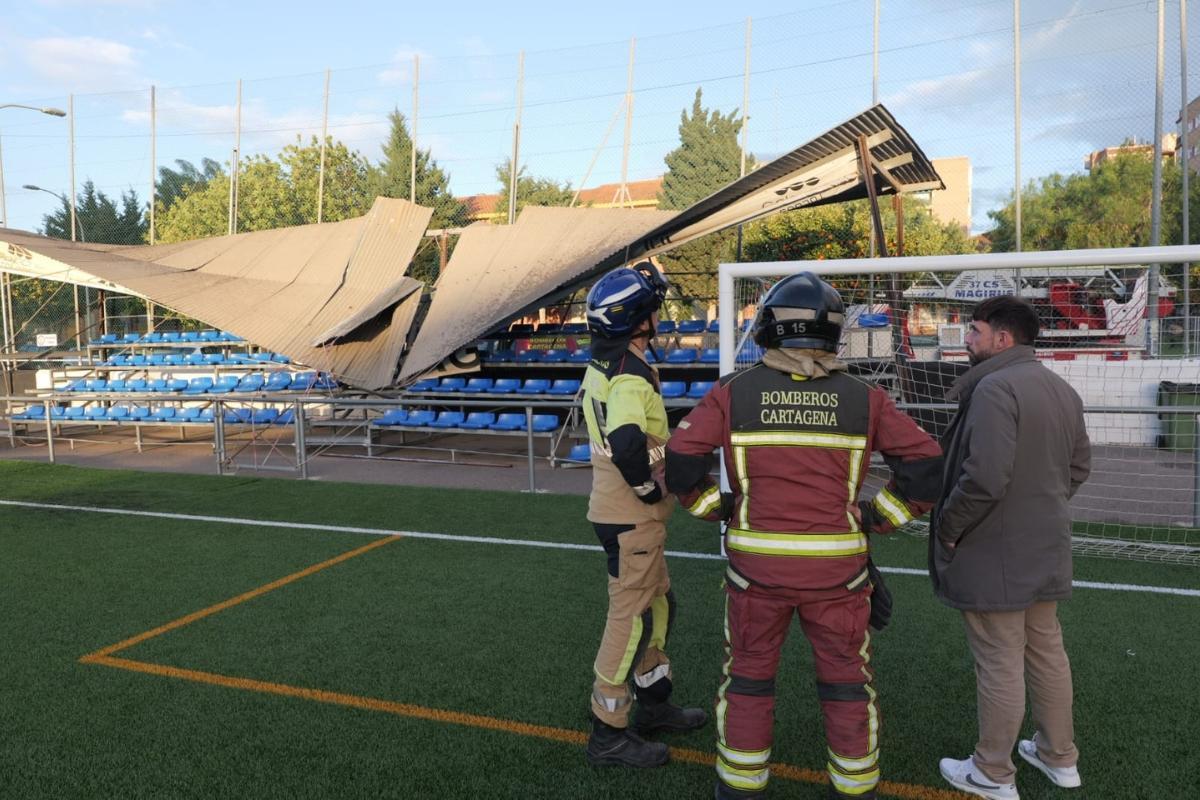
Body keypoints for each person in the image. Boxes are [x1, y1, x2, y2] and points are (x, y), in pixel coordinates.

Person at [664, 272, 943, 799]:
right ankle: (855, 786)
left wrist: (715, 508)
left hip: (754, 575)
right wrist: (874, 518)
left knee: (747, 678)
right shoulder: (865, 398)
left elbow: (680, 462)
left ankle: (742, 786)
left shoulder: (732, 393)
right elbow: (927, 466)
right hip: (839, 574)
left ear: (770, 326)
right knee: (846, 683)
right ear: (833, 333)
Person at [932, 296, 1091, 800]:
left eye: (975, 330)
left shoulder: (995, 388)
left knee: (1001, 661)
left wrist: (950, 527)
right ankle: (1058, 756)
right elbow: (1079, 467)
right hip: (1045, 545)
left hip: (994, 550)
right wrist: (1038, 506)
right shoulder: (1061, 389)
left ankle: (992, 772)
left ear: (1003, 339)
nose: (968, 339)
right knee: (1047, 652)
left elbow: (983, 478)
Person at [581, 262, 708, 769]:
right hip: (631, 517)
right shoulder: (631, 376)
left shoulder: (606, 364)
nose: (659, 318)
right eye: (653, 311)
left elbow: (634, 430)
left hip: (625, 518)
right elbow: (627, 440)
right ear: (638, 321)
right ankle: (608, 733)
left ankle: (654, 706)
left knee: (660, 607)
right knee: (631, 620)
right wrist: (646, 489)